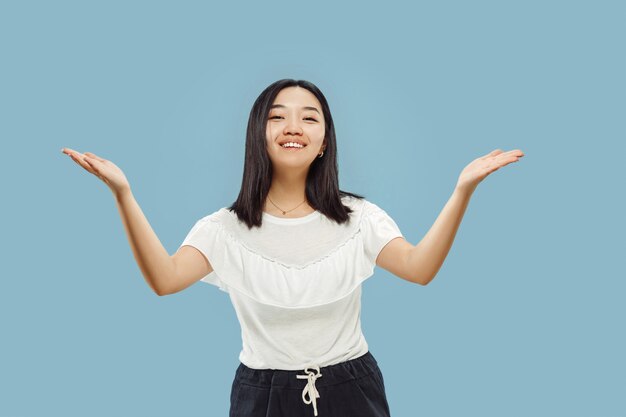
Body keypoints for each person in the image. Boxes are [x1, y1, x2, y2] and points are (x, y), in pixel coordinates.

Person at [61, 78, 524, 416]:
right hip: (261, 395)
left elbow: (419, 268)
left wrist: (463, 190)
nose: (293, 125)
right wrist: (123, 193)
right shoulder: (223, 229)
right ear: (258, 134)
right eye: (278, 115)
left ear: (324, 141)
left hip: (351, 387)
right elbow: (164, 279)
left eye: (309, 116)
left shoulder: (359, 217)